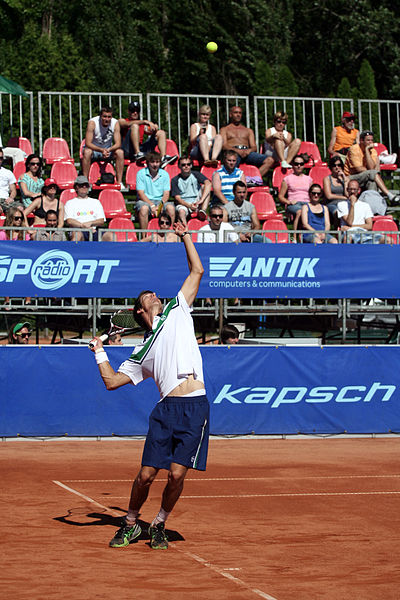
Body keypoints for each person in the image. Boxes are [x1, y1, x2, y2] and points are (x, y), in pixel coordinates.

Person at [89, 221, 209, 551]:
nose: (155, 295)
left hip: (196, 405)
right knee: (145, 475)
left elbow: (197, 270)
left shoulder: (178, 309)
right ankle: (130, 524)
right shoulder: (141, 351)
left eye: (154, 293)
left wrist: (184, 234)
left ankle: (158, 523)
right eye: (147, 297)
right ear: (140, 311)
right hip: (166, 411)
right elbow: (112, 382)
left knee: (176, 475)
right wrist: (100, 352)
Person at [344, 130, 399, 202]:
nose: (370, 142)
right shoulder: (354, 149)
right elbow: (359, 169)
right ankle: (389, 194)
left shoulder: (372, 151)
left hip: (366, 176)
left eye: (371, 140)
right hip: (351, 177)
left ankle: (372, 207)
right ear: (361, 140)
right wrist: (371, 171)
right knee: (373, 174)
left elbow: (372, 168)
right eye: (368, 140)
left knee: (372, 183)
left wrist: (367, 150)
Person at [119, 101, 177, 168]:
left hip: (141, 148)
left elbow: (148, 130)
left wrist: (154, 128)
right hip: (128, 150)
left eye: (137, 111)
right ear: (128, 111)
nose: (135, 113)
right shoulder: (123, 121)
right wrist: (145, 121)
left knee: (161, 133)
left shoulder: (142, 125)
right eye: (132, 111)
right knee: (135, 126)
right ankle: (137, 153)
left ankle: (163, 158)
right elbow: (126, 124)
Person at [219, 105, 271, 176]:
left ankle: (254, 179)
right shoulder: (224, 129)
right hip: (233, 153)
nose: (238, 115)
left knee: (270, 160)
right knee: (231, 161)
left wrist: (248, 151)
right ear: (230, 115)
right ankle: (231, 179)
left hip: (247, 153)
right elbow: (224, 146)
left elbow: (254, 147)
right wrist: (237, 151)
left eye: (240, 113)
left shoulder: (248, 130)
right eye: (236, 113)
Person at [82, 107, 125, 190]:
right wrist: (101, 150)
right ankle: (85, 181)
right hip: (94, 149)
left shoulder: (115, 123)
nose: (107, 119)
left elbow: (118, 143)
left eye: (109, 117)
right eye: (104, 116)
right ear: (100, 117)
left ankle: (119, 182)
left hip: (108, 150)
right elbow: (88, 143)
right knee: (87, 152)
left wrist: (108, 150)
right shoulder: (92, 122)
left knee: (120, 152)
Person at [64, 175, 112, 241]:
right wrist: (82, 225)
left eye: (86, 185)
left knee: (110, 236)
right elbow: (69, 220)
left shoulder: (96, 202)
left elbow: (101, 220)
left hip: (94, 230)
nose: (84, 187)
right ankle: (75, 251)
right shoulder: (70, 203)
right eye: (81, 185)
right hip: (78, 230)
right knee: (77, 236)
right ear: (76, 187)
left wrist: (91, 223)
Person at [135, 151, 174, 230]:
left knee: (171, 208)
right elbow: (141, 193)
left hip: (161, 201)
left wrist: (159, 207)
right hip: (145, 201)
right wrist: (152, 205)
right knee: (144, 209)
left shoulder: (165, 174)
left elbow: (166, 194)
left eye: (157, 162)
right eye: (152, 162)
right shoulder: (141, 173)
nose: (155, 164)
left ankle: (171, 234)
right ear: (148, 163)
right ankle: (144, 237)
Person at [337, 180, 384, 244]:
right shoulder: (341, 204)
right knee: (348, 237)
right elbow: (349, 222)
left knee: (387, 240)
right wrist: (352, 204)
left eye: (354, 189)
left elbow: (370, 226)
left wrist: (353, 226)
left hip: (363, 233)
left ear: (358, 190)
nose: (352, 191)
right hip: (349, 233)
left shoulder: (365, 205)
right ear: (347, 190)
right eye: (350, 189)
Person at [171, 157, 211, 225]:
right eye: (183, 165)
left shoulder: (196, 174)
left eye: (188, 164)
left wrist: (201, 200)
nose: (186, 166)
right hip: (184, 203)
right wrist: (189, 205)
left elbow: (208, 183)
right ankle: (185, 229)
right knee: (181, 211)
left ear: (191, 165)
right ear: (179, 166)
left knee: (205, 187)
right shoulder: (175, 180)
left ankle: (202, 211)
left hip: (197, 200)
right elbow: (177, 198)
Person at [278, 154, 313, 233]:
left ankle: (306, 235)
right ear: (293, 165)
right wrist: (288, 202)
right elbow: (280, 196)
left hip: (307, 203)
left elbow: (312, 194)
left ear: (304, 165)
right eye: (296, 164)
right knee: (300, 212)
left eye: (301, 164)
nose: (299, 166)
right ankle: (294, 236)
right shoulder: (287, 179)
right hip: (294, 203)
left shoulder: (309, 179)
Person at [0, 148, 18, 214]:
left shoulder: (8, 172)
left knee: (20, 209)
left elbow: (13, 190)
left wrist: (11, 198)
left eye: (1, 158)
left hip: (5, 200)